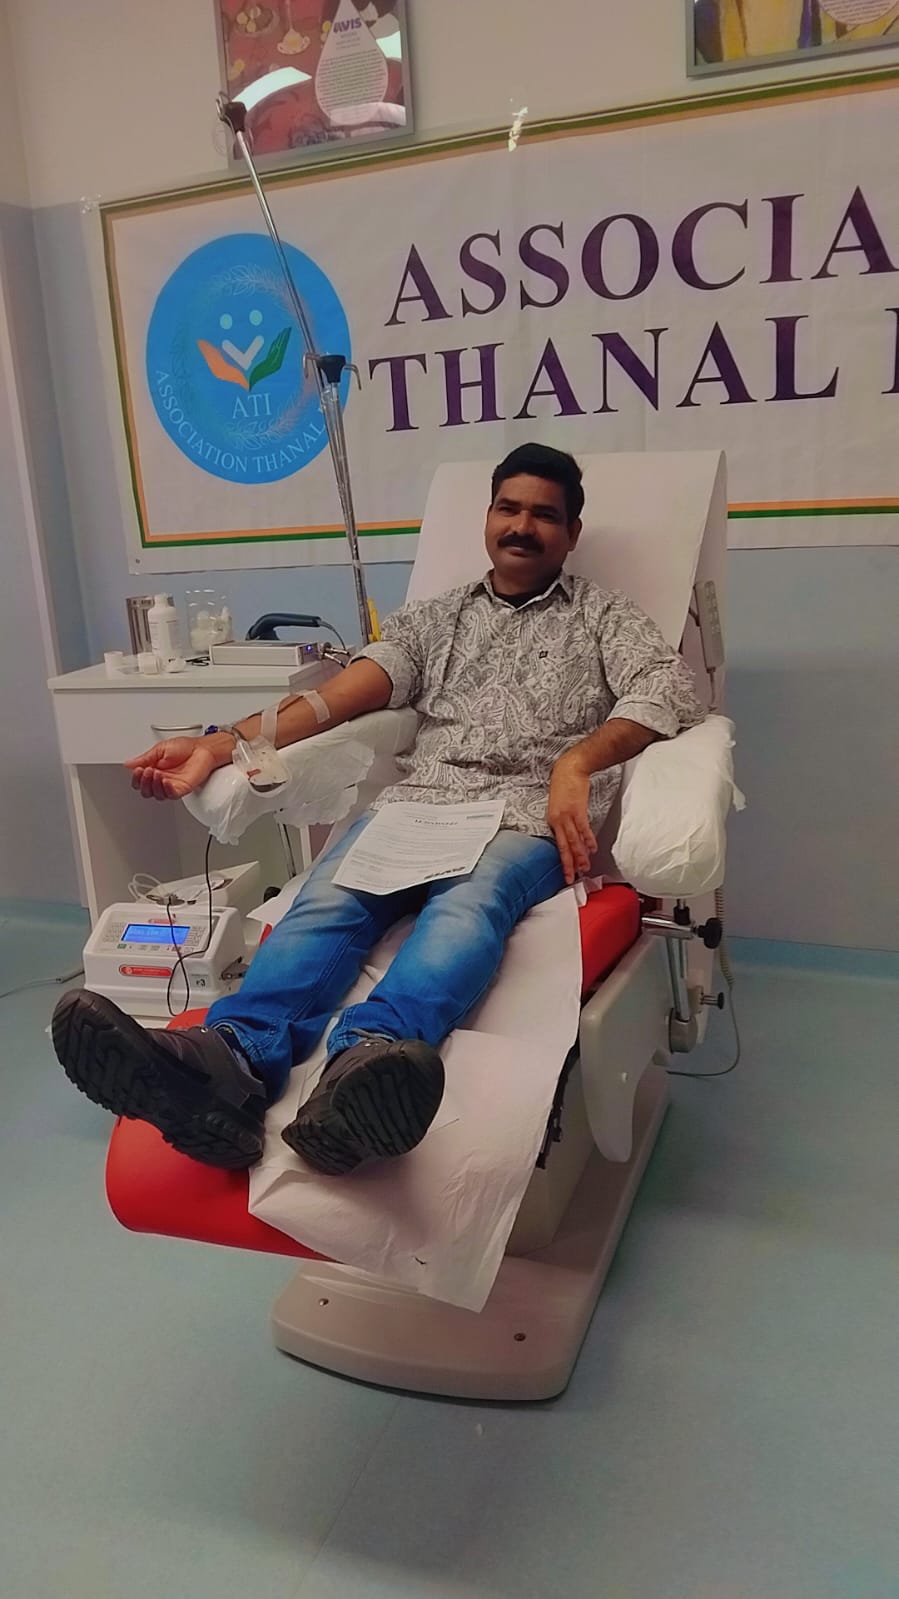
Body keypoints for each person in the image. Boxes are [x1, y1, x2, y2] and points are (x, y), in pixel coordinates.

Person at [53, 442, 704, 1178]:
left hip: (520, 819)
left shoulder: (604, 617)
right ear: (488, 516)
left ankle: (365, 1066)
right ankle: (230, 1063)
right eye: (509, 508)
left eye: (544, 515)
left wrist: (575, 763)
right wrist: (221, 743)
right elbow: (335, 698)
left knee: (467, 908)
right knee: (326, 903)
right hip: (416, 810)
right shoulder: (434, 619)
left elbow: (667, 691)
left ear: (571, 533)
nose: (522, 526)